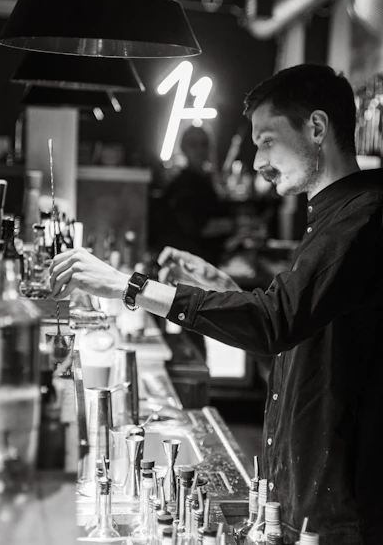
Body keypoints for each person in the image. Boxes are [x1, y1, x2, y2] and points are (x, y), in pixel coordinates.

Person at [49, 64, 383, 545]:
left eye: (267, 140)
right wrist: (227, 288)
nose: (256, 162)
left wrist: (130, 286)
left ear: (316, 128)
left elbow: (277, 322)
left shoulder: (362, 221)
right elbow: (300, 331)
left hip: (337, 512)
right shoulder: (333, 219)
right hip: (303, 500)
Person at [158, 124, 229, 266]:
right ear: (183, 148)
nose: (199, 149)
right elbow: (197, 227)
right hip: (189, 269)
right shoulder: (183, 184)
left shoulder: (204, 180)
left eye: (203, 144)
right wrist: (236, 225)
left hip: (205, 265)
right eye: (193, 144)